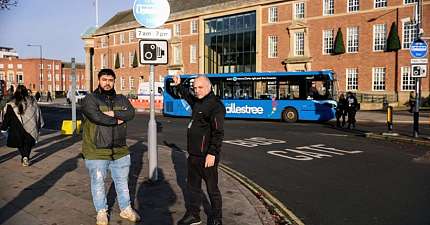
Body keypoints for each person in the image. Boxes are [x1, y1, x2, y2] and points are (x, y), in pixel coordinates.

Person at [81, 68, 139, 225]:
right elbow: (96, 116)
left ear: (114, 81)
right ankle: (101, 211)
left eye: (110, 80)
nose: (107, 83)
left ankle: (126, 209)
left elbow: (131, 113)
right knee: (98, 182)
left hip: (120, 149)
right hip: (96, 150)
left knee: (122, 182)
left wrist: (112, 113)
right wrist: (116, 118)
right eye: (104, 80)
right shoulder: (90, 99)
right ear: (99, 80)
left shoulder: (121, 98)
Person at [172, 74, 225, 225]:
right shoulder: (197, 102)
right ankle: (194, 215)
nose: (197, 90)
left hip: (207, 156)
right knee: (192, 188)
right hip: (193, 155)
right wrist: (178, 85)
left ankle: (217, 219)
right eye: (195, 88)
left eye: (200, 87)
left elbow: (218, 132)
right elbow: (187, 95)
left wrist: (212, 153)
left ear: (209, 87)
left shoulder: (216, 106)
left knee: (212, 190)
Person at [0, 85, 44, 166]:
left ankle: (24, 156)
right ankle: (26, 156)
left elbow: (7, 117)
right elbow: (37, 113)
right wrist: (39, 124)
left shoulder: (12, 103)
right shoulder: (32, 102)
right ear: (26, 92)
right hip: (31, 126)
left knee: (19, 143)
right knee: (29, 143)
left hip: (16, 129)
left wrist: (4, 127)